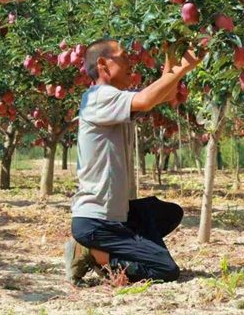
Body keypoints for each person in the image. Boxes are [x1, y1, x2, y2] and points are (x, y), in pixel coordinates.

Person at [63, 39, 201, 284]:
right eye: (124, 57)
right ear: (103, 64)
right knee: (165, 270)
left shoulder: (113, 99)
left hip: (115, 214)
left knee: (168, 214)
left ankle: (113, 248)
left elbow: (164, 95)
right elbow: (147, 100)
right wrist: (183, 67)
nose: (131, 63)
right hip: (97, 219)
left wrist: (171, 58)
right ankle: (97, 255)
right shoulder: (98, 97)